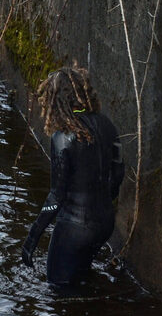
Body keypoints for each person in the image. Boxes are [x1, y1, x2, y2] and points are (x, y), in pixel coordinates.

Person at [21, 67, 125, 287]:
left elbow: (55, 197)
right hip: (104, 224)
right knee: (82, 280)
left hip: (75, 229)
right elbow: (118, 175)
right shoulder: (108, 126)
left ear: (57, 101)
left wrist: (32, 239)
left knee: (58, 289)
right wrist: (104, 202)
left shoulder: (63, 137)